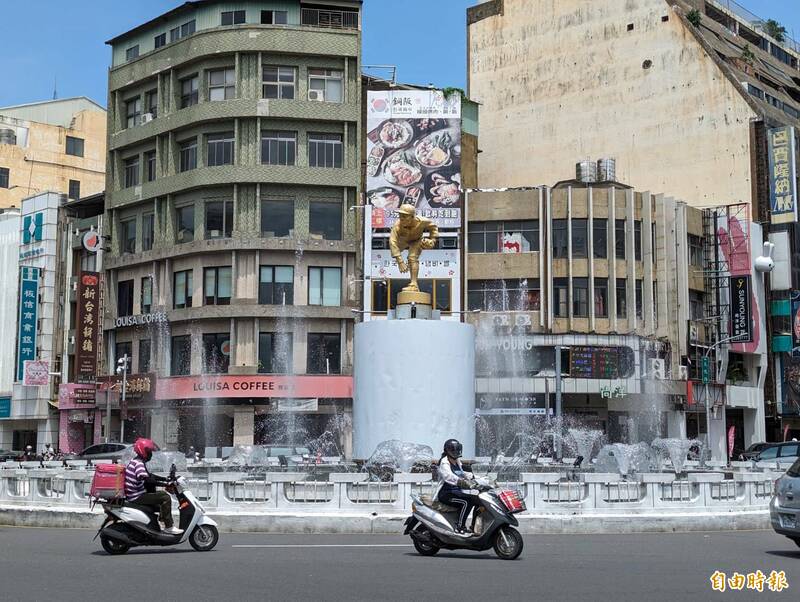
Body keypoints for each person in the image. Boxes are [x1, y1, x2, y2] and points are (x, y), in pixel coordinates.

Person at [125, 438, 182, 535]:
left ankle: (159, 522)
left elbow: (150, 476)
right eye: (149, 451)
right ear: (142, 451)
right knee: (165, 497)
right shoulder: (139, 464)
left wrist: (166, 479)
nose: (150, 454)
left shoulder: (136, 461)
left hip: (135, 494)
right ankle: (169, 526)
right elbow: (148, 480)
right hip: (136, 496)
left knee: (159, 498)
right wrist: (165, 485)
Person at [389, 204, 439, 293]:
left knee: (412, 257)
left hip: (416, 241)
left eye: (405, 216)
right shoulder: (397, 225)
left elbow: (433, 227)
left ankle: (413, 284)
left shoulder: (422, 221)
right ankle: (413, 284)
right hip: (402, 243)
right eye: (400, 216)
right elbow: (392, 241)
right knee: (399, 247)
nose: (401, 218)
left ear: (412, 216)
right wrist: (400, 261)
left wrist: (432, 240)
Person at [436, 439, 478, 534]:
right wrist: (462, 482)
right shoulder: (444, 462)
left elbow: (463, 473)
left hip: (456, 492)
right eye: (452, 450)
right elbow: (448, 476)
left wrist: (477, 478)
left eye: (457, 450)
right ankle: (460, 527)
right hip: (446, 494)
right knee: (466, 502)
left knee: (477, 500)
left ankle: (474, 526)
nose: (455, 452)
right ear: (447, 451)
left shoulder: (457, 461)